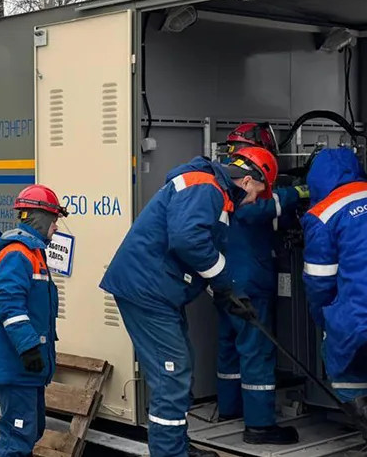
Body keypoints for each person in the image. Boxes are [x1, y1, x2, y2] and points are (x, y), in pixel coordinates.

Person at [99, 147, 278, 457]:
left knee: (179, 369)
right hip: (148, 291)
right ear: (248, 181)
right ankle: (170, 453)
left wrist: (226, 291)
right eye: (258, 194)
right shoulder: (205, 187)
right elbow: (188, 240)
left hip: (157, 291)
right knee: (172, 375)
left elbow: (196, 251)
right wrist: (224, 284)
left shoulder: (212, 189)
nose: (254, 201)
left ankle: (178, 446)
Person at [301, 147, 367, 457]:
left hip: (362, 311)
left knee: (343, 366)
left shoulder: (323, 214)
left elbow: (319, 282)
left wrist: (324, 321)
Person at [213, 123, 308, 445]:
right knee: (256, 351)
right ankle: (260, 425)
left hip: (224, 278)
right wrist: (302, 191)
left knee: (229, 345)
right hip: (250, 282)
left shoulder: (220, 178)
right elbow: (262, 208)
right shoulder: (244, 188)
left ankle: (230, 408)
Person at [0, 184, 67, 457]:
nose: (56, 225)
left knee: (29, 430)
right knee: (17, 436)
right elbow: (8, 303)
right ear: (39, 218)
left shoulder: (32, 251)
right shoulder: (18, 253)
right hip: (16, 364)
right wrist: (29, 347)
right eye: (54, 218)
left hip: (24, 367)